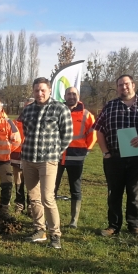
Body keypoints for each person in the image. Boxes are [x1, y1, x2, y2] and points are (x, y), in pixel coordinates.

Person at [94, 74, 138, 237]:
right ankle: (113, 226)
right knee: (114, 192)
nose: (123, 87)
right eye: (119, 85)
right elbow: (98, 130)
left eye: (126, 84)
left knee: (136, 192)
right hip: (114, 157)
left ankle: (134, 226)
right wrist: (105, 152)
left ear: (133, 85)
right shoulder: (110, 106)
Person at [20, 77, 73, 249]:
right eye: (36, 90)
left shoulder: (60, 109)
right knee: (34, 197)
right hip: (28, 159)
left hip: (48, 161)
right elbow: (26, 131)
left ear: (49, 90)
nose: (39, 93)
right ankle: (39, 230)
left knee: (48, 198)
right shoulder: (27, 110)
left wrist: (55, 152)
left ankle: (55, 235)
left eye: (43, 90)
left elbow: (67, 135)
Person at [53, 87, 96, 228]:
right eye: (68, 94)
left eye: (74, 94)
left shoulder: (86, 115)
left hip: (76, 157)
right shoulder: (57, 111)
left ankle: (73, 221)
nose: (71, 96)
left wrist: (87, 149)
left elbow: (93, 133)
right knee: (51, 188)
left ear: (78, 96)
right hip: (57, 156)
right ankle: (51, 219)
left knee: (75, 189)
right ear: (64, 96)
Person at [11, 98, 34, 214]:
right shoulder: (15, 123)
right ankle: (19, 205)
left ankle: (31, 206)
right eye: (26, 106)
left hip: (31, 158)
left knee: (31, 183)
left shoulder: (38, 122)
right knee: (18, 182)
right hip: (17, 157)